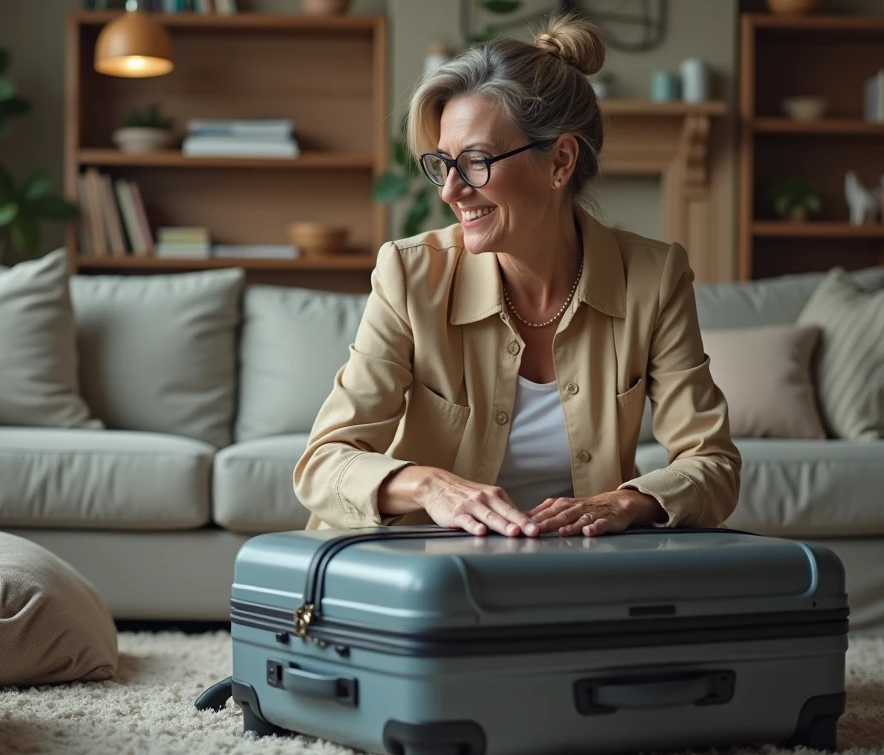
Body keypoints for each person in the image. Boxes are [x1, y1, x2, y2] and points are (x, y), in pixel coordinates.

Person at [293, 13, 741, 538]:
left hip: (573, 570)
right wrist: (428, 486)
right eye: (444, 164)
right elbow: (323, 463)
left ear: (560, 161)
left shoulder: (653, 278)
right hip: (417, 570)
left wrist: (628, 502)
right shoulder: (411, 274)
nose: (450, 192)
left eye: (477, 162)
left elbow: (714, 465)